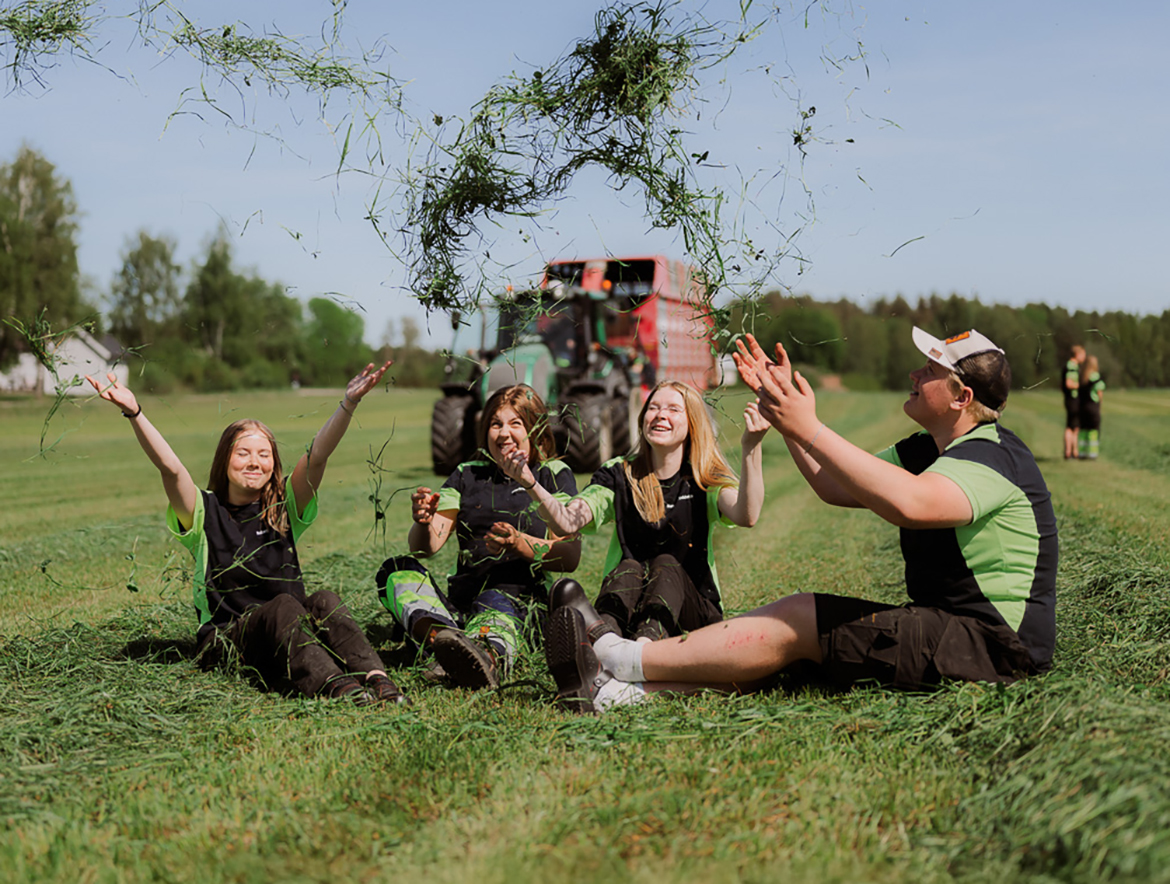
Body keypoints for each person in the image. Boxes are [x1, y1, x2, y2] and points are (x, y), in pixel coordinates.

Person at [544, 328, 1058, 713]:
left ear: (963, 398)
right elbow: (837, 485)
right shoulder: (926, 448)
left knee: (798, 617)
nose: (914, 374)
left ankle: (615, 654)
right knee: (788, 657)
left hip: (993, 648)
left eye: (930, 371)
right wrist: (786, 417)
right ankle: (619, 695)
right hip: (954, 631)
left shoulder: (993, 454)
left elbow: (913, 505)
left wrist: (808, 427)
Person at [86, 363, 407, 706]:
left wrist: (348, 404)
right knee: (284, 605)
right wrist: (135, 412)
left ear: (273, 465)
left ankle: (377, 679)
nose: (254, 462)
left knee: (325, 600)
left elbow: (317, 457)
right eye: (243, 453)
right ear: (225, 460)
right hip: (227, 642)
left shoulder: (283, 506)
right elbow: (171, 468)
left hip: (286, 634)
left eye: (263, 454)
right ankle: (335, 686)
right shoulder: (202, 511)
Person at [500, 380, 768, 647]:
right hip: (629, 610)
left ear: (692, 424)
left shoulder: (702, 477)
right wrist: (530, 483)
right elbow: (567, 523)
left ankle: (635, 652)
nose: (661, 414)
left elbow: (747, 515)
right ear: (642, 419)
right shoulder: (618, 474)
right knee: (629, 567)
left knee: (665, 563)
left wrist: (751, 446)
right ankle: (602, 644)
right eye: (653, 407)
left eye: (674, 409)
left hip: (693, 621)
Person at [376, 384, 581, 689]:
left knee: (495, 598)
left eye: (516, 424)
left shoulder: (553, 474)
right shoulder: (467, 474)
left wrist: (518, 543)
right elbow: (426, 546)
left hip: (521, 600)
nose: (503, 433)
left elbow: (569, 556)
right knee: (396, 571)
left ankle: (485, 655)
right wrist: (422, 521)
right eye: (496, 424)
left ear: (536, 429)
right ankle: (445, 640)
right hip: (461, 602)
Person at [1077, 354, 1105, 460]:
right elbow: (1099, 394)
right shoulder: (1096, 377)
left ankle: (1082, 453)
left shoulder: (1081, 377)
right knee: (1093, 431)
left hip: (1082, 407)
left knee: (1083, 431)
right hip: (1093, 407)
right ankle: (1092, 454)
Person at [1063, 344, 1086, 460]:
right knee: (1072, 426)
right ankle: (1070, 451)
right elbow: (1069, 383)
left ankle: (1071, 451)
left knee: (1073, 426)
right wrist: (1081, 386)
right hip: (1073, 399)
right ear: (1077, 354)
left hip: (1070, 399)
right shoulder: (1072, 366)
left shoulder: (1070, 365)